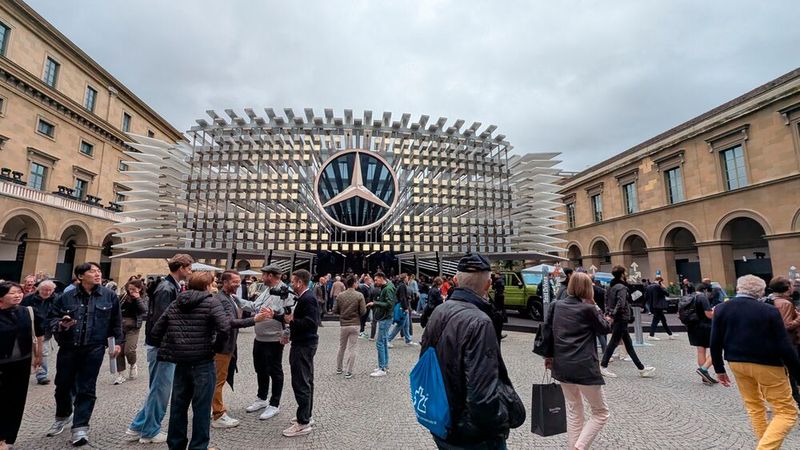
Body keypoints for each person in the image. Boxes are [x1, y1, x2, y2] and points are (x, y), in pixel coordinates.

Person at [421, 253, 524, 449]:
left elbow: (426, 362)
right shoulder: (480, 322)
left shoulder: (439, 312)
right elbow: (482, 395)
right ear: (488, 285)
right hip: (473, 436)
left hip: (442, 420)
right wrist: (502, 421)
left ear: (455, 280)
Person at [711, 275, 800, 449]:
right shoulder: (768, 310)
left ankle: (765, 444)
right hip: (767, 363)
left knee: (755, 406)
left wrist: (719, 368)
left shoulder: (721, 308)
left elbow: (714, 341)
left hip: (736, 362)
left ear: (738, 289)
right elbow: (784, 345)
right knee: (787, 412)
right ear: (760, 291)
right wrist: (797, 373)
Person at [149, 271, 229, 450]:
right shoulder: (211, 302)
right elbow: (224, 329)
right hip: (203, 362)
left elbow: (156, 331)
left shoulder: (176, 302)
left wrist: (171, 346)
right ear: (207, 286)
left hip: (181, 363)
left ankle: (176, 446)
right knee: (201, 408)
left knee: (178, 407)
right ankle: (198, 447)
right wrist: (216, 347)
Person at [47, 262, 123, 446]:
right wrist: (61, 324)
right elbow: (51, 318)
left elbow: (116, 321)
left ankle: (80, 427)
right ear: (81, 276)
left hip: (94, 348)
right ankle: (63, 415)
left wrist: (118, 343)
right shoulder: (66, 297)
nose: (97, 274)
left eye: (99, 271)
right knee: (63, 385)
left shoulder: (109, 296)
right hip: (68, 348)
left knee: (87, 387)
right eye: (92, 271)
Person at [125, 254, 193, 444]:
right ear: (180, 267)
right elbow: (164, 320)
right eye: (189, 268)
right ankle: (150, 431)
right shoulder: (167, 288)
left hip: (162, 345)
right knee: (160, 390)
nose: (190, 271)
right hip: (164, 346)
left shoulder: (170, 286)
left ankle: (137, 426)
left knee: (158, 388)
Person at [543, 273, 611, 450]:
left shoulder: (556, 305)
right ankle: (579, 447)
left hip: (562, 365)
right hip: (584, 367)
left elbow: (548, 333)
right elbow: (604, 328)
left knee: (574, 411)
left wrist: (548, 357)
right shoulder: (588, 309)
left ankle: (575, 446)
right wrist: (595, 305)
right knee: (601, 413)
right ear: (588, 288)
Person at [212, 270, 270, 428]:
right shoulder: (222, 299)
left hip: (227, 346)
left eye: (239, 281)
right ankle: (218, 414)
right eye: (234, 282)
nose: (238, 284)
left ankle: (214, 409)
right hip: (222, 347)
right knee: (218, 381)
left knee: (219, 380)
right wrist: (254, 320)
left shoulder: (228, 297)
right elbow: (229, 322)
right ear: (224, 283)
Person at [245, 264, 294, 420]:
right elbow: (255, 306)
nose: (262, 277)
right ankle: (262, 398)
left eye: (264, 274)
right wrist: (236, 300)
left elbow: (290, 316)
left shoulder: (285, 292)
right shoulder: (267, 290)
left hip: (274, 338)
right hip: (259, 337)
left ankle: (274, 404)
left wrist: (286, 334)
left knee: (275, 370)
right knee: (260, 368)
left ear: (271, 276)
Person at [0, 281, 44, 449]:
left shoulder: (28, 312)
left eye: (19, 292)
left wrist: (38, 355)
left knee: (15, 401)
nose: (18, 295)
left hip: (20, 363)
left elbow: (39, 334)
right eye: (12, 293)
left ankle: (6, 438)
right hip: (1, 363)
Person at [599, 265, 655, 378]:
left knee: (628, 344)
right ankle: (603, 366)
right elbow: (621, 303)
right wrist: (614, 315)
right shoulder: (622, 288)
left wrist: (608, 314)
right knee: (614, 342)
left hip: (617, 318)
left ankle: (641, 368)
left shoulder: (610, 286)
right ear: (622, 274)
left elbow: (606, 302)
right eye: (625, 273)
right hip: (621, 318)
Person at [282, 269, 320, 437]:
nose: (291, 283)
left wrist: (292, 322)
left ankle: (303, 422)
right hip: (305, 343)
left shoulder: (308, 298)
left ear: (299, 282)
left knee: (301, 382)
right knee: (307, 380)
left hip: (304, 344)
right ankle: (306, 415)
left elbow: (311, 323)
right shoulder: (306, 297)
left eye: (293, 281)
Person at [767, 276, 800, 406]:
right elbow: (786, 325)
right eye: (791, 285)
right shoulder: (785, 303)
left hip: (776, 342)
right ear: (786, 288)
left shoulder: (770, 300)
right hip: (789, 342)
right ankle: (795, 399)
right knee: (792, 371)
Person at [21, 279, 56, 385]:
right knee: (26, 352)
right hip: (29, 329)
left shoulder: (56, 299)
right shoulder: (29, 298)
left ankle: (42, 375)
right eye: (45, 290)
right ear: (39, 289)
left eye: (50, 290)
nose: (47, 292)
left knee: (43, 352)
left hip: (45, 330)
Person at [114, 279, 148, 385]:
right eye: (129, 288)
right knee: (118, 351)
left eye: (133, 289)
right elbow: (116, 309)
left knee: (129, 350)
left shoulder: (144, 298)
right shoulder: (123, 297)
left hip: (133, 328)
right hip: (120, 326)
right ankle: (121, 374)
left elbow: (144, 310)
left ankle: (133, 364)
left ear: (139, 288)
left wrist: (137, 298)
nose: (131, 291)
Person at [333, 276, 366, 379]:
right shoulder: (359, 295)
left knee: (341, 346)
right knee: (352, 348)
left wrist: (342, 313)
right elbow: (363, 311)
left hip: (344, 324)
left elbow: (335, 310)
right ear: (354, 283)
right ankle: (349, 371)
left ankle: (339, 368)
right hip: (355, 323)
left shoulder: (340, 296)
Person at [686, 283, 718, 384]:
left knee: (700, 351)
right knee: (716, 350)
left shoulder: (689, 296)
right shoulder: (702, 298)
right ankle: (703, 370)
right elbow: (709, 315)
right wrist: (716, 311)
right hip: (705, 327)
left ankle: (705, 376)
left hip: (692, 326)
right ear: (705, 290)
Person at [367, 272, 396, 377]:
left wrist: (375, 303)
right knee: (383, 342)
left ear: (381, 278)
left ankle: (382, 368)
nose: (375, 282)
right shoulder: (388, 286)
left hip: (385, 318)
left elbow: (389, 304)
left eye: (376, 280)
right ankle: (384, 365)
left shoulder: (387, 288)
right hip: (386, 317)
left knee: (380, 342)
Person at [387, 274, 417, 347]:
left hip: (401, 306)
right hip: (403, 307)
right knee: (401, 324)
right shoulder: (403, 286)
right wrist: (405, 308)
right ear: (404, 278)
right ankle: (388, 339)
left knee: (406, 324)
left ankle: (408, 340)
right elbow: (403, 298)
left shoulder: (400, 285)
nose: (408, 278)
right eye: (407, 277)